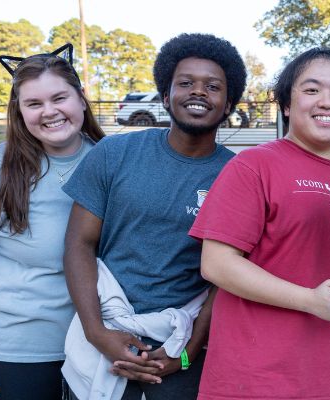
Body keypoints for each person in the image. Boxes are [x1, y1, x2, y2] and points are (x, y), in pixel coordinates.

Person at [61, 33, 245, 400]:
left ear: (228, 105)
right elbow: (79, 244)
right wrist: (96, 332)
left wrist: (192, 348)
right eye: (186, 83)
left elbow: (228, 274)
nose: (199, 92)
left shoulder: (239, 174)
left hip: (180, 341)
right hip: (105, 332)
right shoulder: (116, 152)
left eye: (213, 86)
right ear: (165, 96)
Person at [189, 48, 330, 399]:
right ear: (287, 105)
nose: (327, 101)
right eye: (311, 90)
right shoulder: (255, 166)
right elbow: (216, 264)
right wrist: (309, 299)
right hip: (260, 378)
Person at [0, 44, 105, 400]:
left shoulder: (111, 160)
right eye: (34, 104)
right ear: (19, 110)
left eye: (60, 98)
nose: (50, 112)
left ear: (82, 98)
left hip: (100, 347)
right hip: (17, 353)